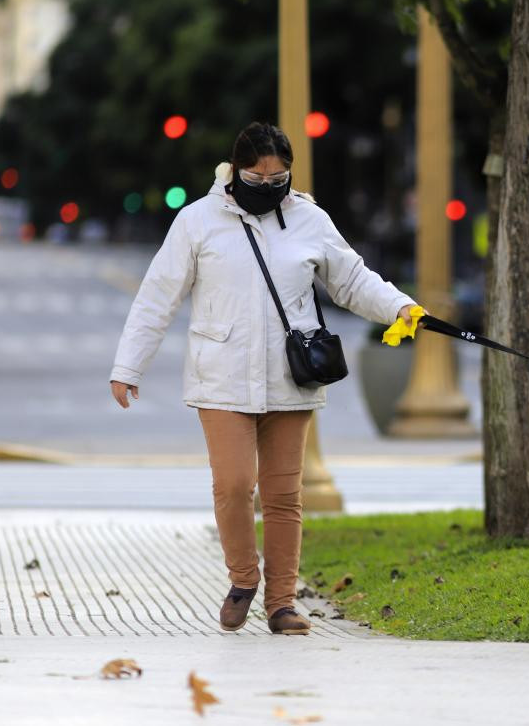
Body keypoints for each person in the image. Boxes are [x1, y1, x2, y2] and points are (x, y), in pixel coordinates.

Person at [109, 122, 419, 635]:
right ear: (235, 171)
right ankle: (243, 578)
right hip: (221, 376)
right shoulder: (198, 222)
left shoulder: (308, 218)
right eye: (257, 176)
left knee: (283, 497)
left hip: (289, 377)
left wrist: (399, 307)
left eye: (278, 179)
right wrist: (128, 366)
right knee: (233, 486)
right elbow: (158, 295)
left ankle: (281, 604)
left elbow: (352, 279)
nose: (268, 186)